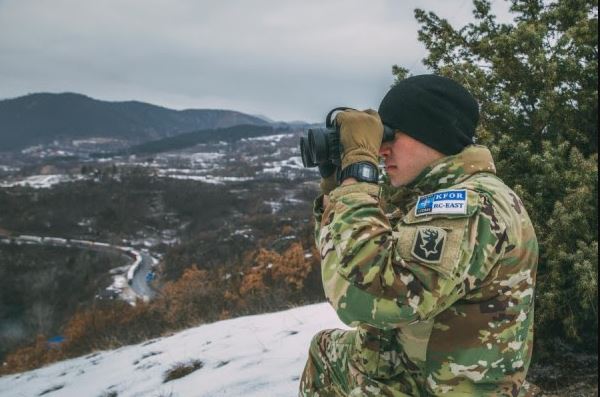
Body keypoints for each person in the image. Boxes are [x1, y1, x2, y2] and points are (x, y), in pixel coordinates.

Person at [299, 75, 539, 397]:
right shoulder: (436, 194)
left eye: (390, 135)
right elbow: (348, 263)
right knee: (327, 351)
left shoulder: (472, 205)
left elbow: (371, 301)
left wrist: (358, 173)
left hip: (454, 388)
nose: (381, 150)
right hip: (424, 369)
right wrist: (336, 186)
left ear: (432, 133)